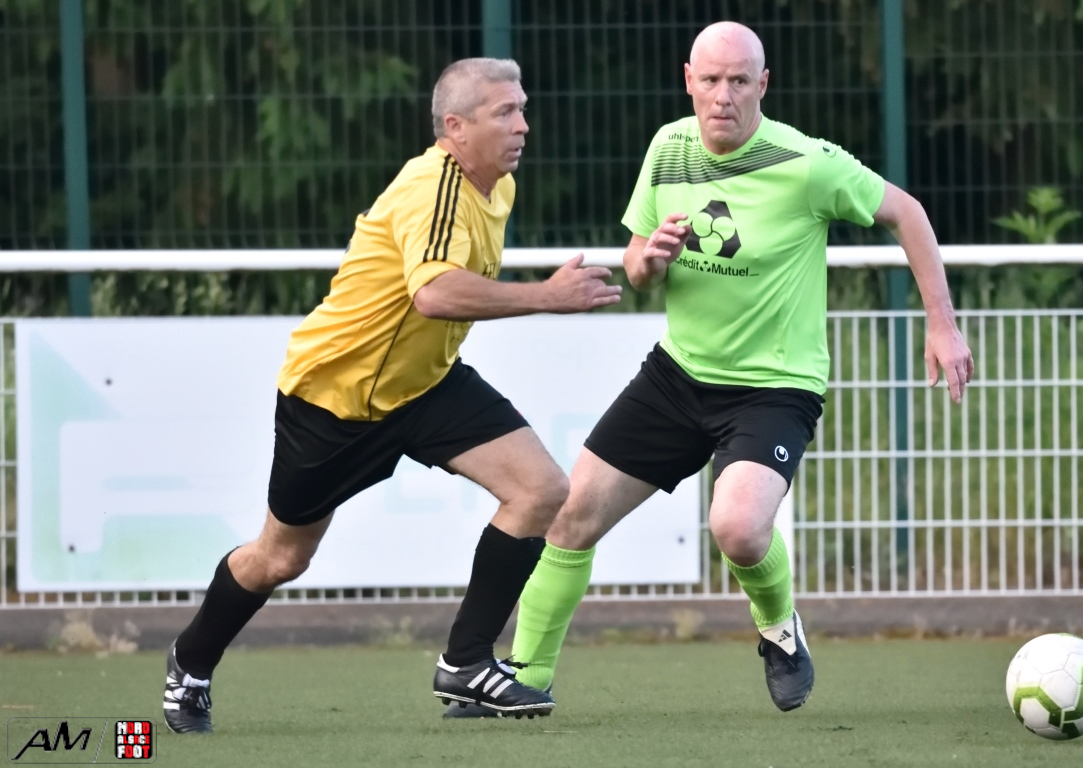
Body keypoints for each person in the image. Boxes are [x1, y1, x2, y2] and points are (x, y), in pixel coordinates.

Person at [446, 21, 974, 718]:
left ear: (763, 85)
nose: (724, 95)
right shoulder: (668, 147)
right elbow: (638, 267)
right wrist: (650, 259)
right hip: (678, 376)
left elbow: (908, 213)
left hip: (773, 387)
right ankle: (528, 676)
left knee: (739, 530)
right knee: (570, 515)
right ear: (689, 80)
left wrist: (941, 323)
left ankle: (780, 632)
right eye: (712, 80)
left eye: (739, 81)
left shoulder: (805, 162)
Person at [161, 57, 623, 733]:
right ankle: (190, 663)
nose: (523, 124)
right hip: (336, 397)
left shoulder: (496, 184)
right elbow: (433, 293)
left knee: (542, 491)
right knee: (280, 558)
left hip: (426, 385)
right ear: (455, 128)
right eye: (505, 112)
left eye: (522, 108)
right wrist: (547, 296)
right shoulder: (434, 188)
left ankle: (466, 662)